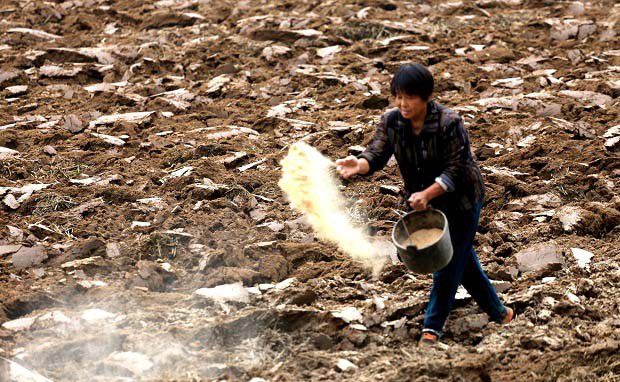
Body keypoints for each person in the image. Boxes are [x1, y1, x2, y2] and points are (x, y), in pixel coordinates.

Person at [335, 63, 514, 345]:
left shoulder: (448, 122)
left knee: (447, 262)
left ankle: (432, 328)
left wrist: (428, 193)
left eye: (410, 97)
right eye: (399, 96)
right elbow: (377, 152)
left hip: (462, 200)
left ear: (426, 96)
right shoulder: (392, 121)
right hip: (425, 203)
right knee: (462, 259)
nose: (403, 104)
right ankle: (501, 313)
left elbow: (457, 168)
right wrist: (359, 164)